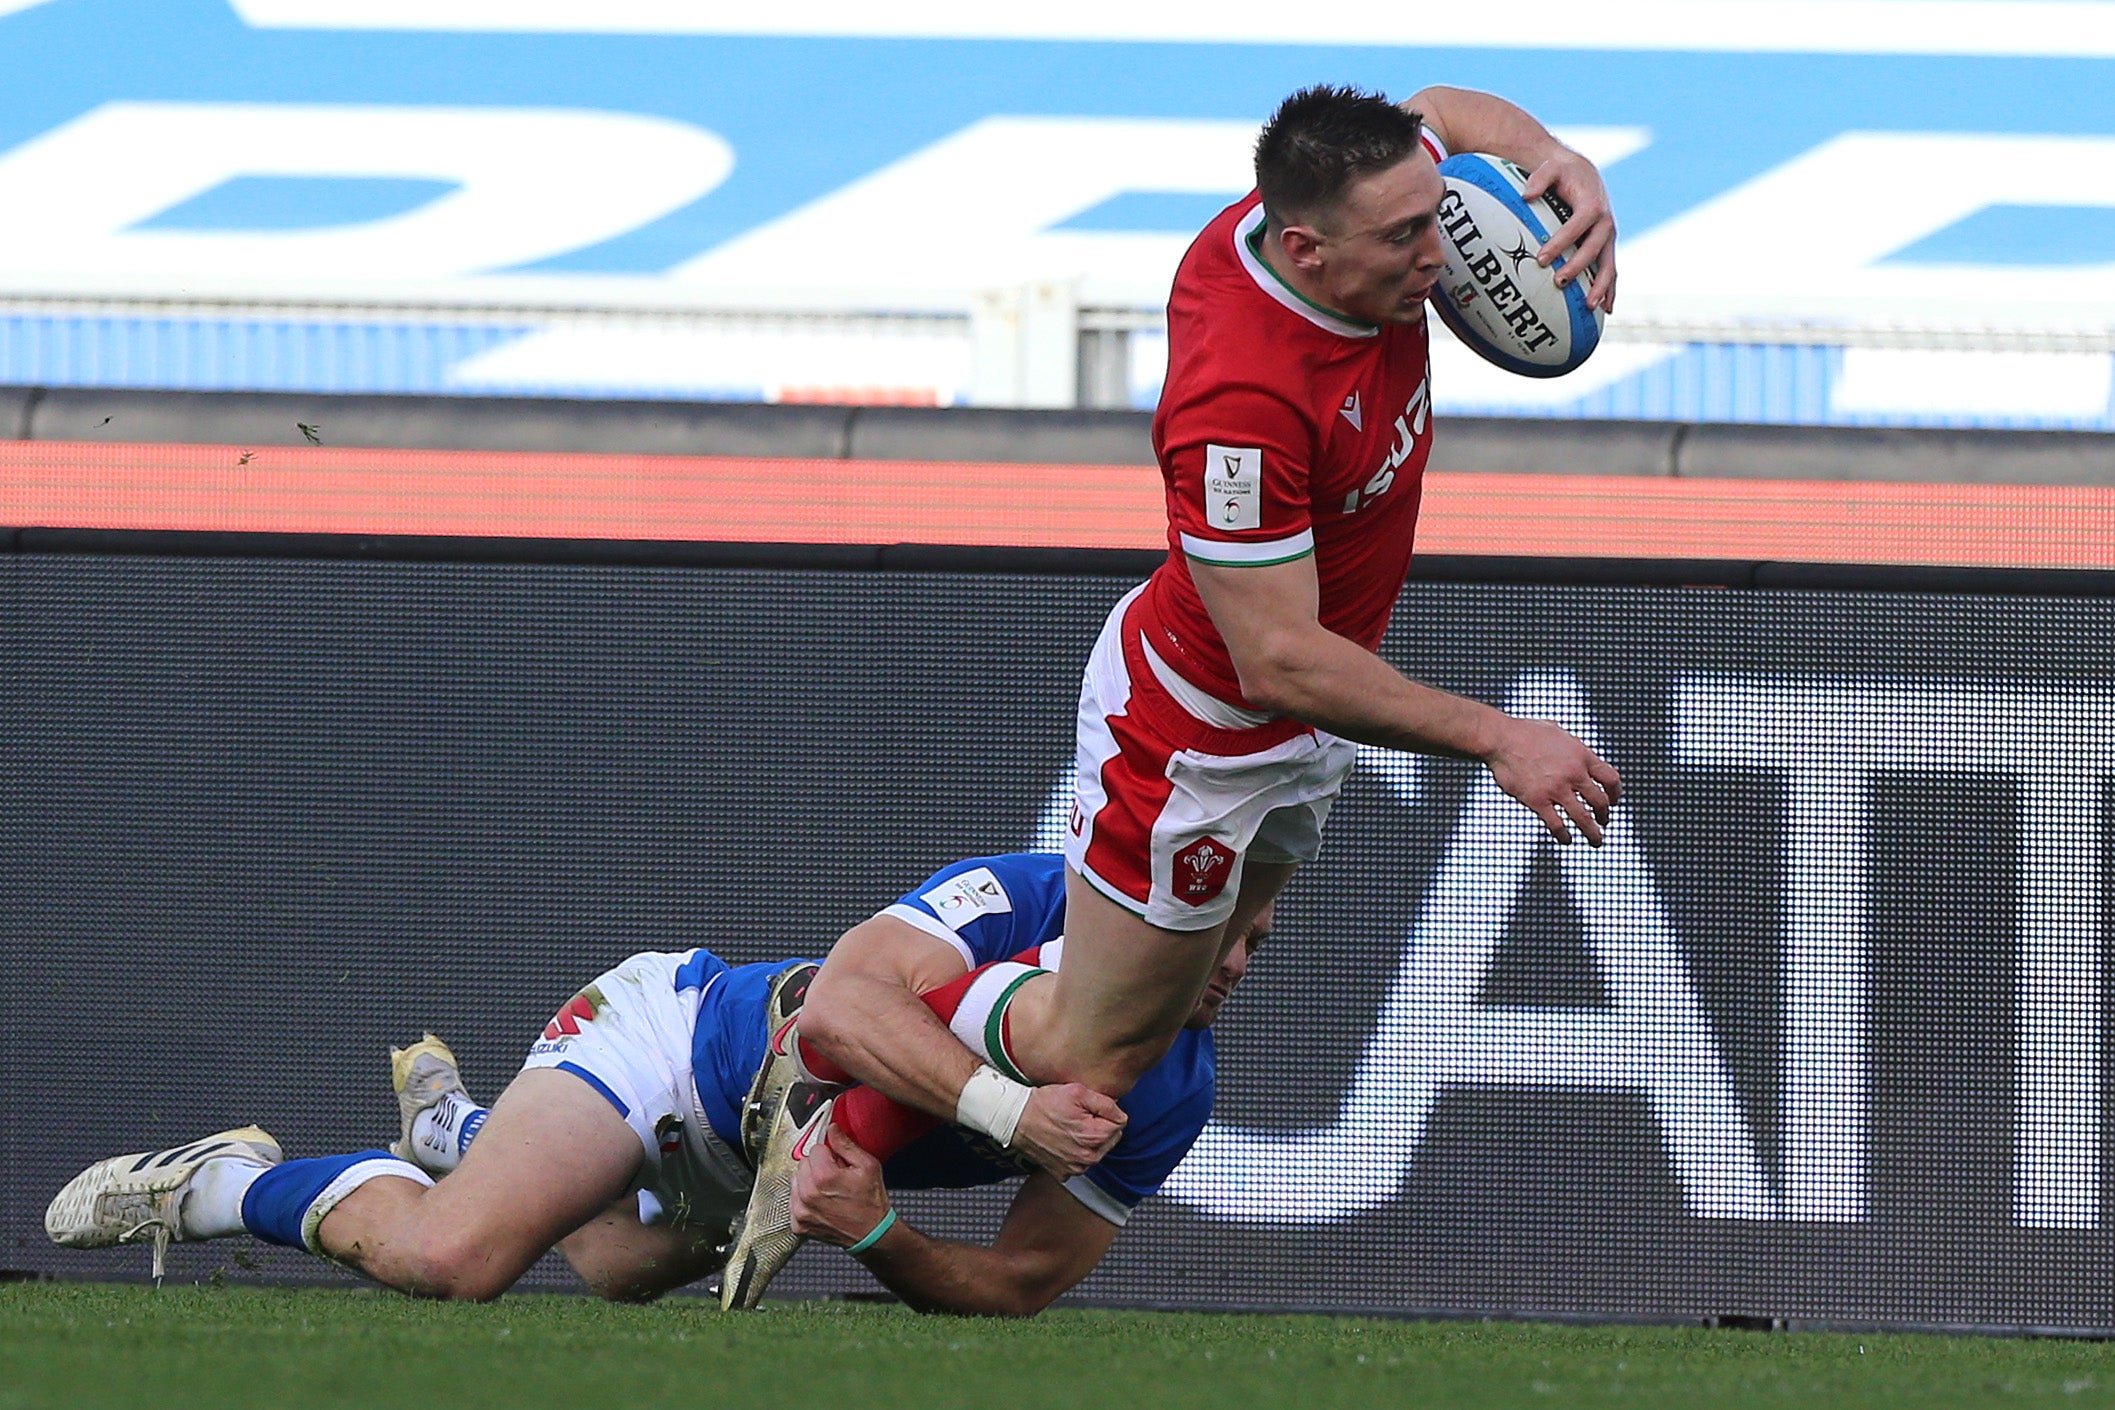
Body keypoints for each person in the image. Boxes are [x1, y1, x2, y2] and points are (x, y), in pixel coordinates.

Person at [725, 84, 1626, 1301]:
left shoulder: (1354, 193)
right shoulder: (1238, 407)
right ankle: (827, 1019)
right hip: (1203, 736)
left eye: (1437, 215)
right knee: (1094, 1048)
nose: (1445, 252)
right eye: (1409, 237)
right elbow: (1277, 659)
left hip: (1302, 727)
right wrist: (1499, 738)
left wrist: (1556, 163)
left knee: (1146, 1010)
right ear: (1304, 248)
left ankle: (836, 1116)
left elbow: (1443, 116)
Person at [45, 852, 1263, 1317]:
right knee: (454, 1263)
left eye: (1257, 942)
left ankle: (459, 1129)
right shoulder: (1040, 896)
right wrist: (1006, 1110)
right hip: (675, 1048)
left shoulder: (1174, 1094)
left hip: (751, 1167)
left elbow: (1018, 1284)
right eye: (1214, 931)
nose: (1227, 964)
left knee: (613, 1273)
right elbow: (841, 1004)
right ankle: (216, 1184)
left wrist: (879, 1232)